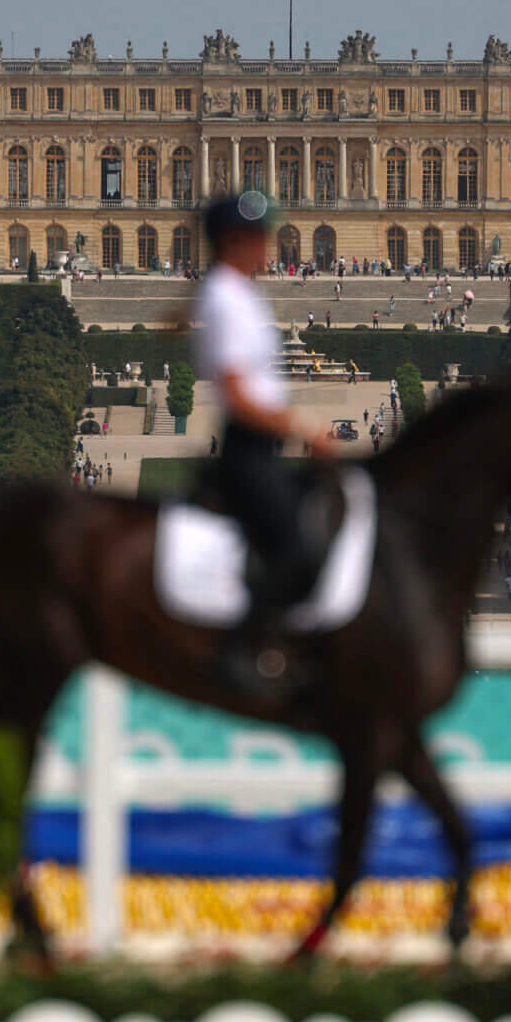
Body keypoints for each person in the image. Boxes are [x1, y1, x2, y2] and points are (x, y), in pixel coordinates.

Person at [192, 190, 340, 693]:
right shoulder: (227, 296)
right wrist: (302, 427)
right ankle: (243, 654)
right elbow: (236, 394)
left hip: (263, 445)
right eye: (259, 236)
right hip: (249, 448)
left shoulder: (235, 291)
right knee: (293, 549)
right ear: (233, 240)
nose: (269, 246)